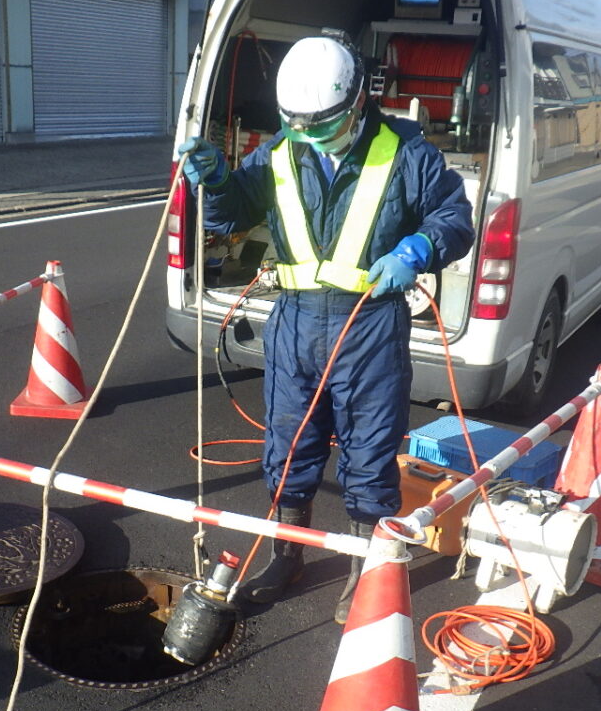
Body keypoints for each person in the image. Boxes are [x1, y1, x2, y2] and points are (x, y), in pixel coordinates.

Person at [177, 32, 474, 623]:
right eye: (299, 125)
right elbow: (234, 213)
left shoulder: (407, 153)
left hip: (369, 326)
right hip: (294, 324)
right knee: (289, 448)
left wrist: (417, 249)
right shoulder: (281, 152)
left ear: (360, 99)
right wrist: (212, 181)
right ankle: (289, 554)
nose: (310, 137)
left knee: (368, 451)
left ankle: (365, 570)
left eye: (322, 125)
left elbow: (454, 218)